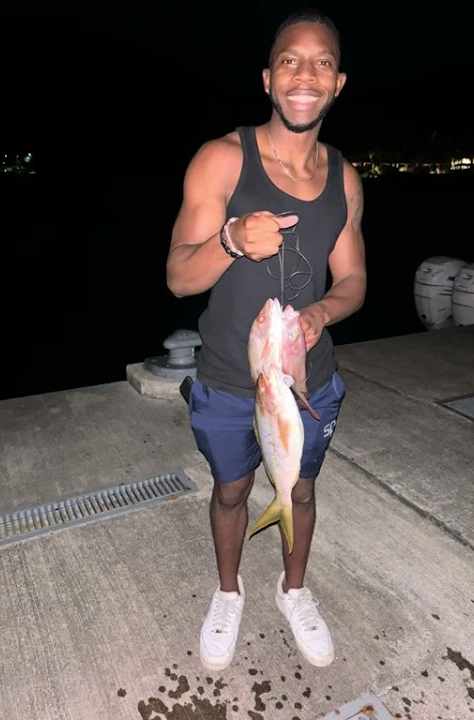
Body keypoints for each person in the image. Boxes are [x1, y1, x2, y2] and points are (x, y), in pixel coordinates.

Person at [165, 8, 367, 672]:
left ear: (338, 83)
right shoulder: (222, 158)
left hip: (310, 387)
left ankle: (295, 589)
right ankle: (229, 592)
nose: (305, 74)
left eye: (322, 62)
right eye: (290, 60)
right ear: (267, 78)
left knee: (299, 491)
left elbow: (355, 279)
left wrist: (321, 316)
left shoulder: (344, 178)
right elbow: (177, 278)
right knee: (230, 490)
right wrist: (229, 239)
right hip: (228, 379)